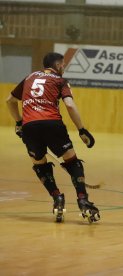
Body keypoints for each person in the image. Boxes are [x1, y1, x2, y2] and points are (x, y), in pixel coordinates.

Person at [5, 52, 100, 223]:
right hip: (52, 124)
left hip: (30, 127)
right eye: (63, 65)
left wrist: (19, 122)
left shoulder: (29, 77)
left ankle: (57, 197)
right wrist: (82, 130)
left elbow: (9, 100)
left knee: (40, 165)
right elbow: (69, 105)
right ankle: (83, 200)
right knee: (72, 162)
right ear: (57, 66)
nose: (63, 68)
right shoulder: (59, 80)